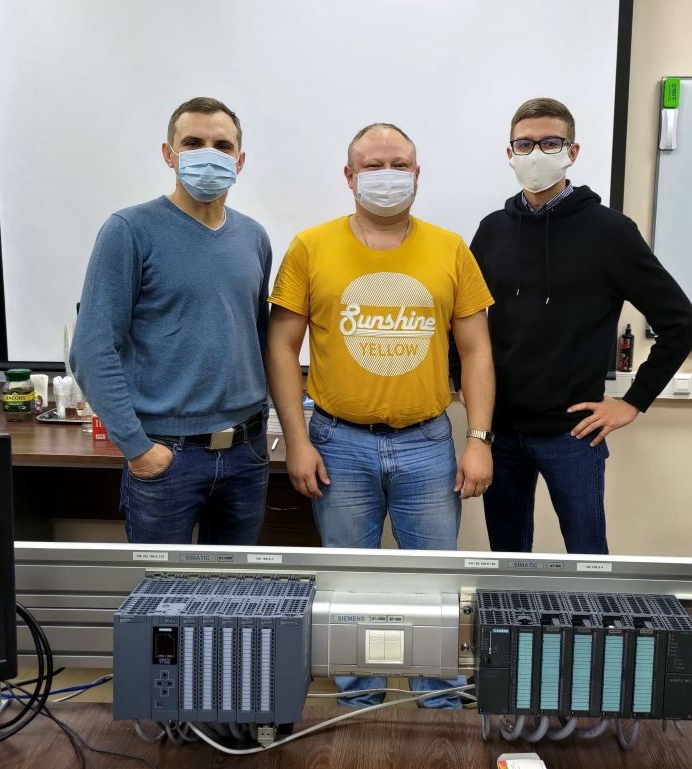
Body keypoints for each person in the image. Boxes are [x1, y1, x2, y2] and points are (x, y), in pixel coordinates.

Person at [266, 123, 495, 708]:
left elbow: (476, 351)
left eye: (399, 165)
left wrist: (478, 438)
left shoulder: (450, 248)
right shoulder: (310, 247)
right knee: (349, 589)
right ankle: (358, 704)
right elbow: (282, 348)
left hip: (427, 443)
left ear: (417, 175)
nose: (387, 176)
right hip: (337, 442)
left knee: (435, 587)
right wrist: (297, 439)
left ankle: (439, 703)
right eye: (373, 165)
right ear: (349, 177)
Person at [451, 97, 692, 555]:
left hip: (573, 434)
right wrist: (457, 380)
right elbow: (459, 317)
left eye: (550, 143)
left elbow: (680, 322)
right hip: (500, 432)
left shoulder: (610, 232)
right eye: (524, 144)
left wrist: (633, 402)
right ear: (510, 153)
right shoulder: (492, 230)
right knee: (507, 559)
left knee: (587, 560)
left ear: (572, 151)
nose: (536, 154)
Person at [71, 97, 273, 545]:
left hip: (247, 453)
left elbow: (258, 339)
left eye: (222, 146)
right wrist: (137, 448)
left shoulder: (254, 237)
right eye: (193, 143)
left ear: (239, 161)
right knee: (161, 589)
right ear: (169, 154)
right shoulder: (129, 230)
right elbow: (92, 349)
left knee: (236, 587)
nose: (209, 154)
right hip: (167, 455)